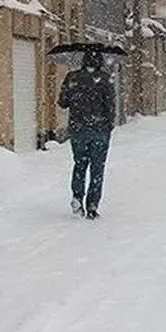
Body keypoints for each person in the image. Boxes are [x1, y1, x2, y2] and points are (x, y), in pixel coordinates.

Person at [58, 51, 117, 219]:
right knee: (97, 168)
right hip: (99, 131)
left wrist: (75, 96)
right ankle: (92, 205)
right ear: (100, 61)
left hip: (78, 129)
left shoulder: (72, 77)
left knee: (80, 164)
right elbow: (110, 106)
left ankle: (77, 197)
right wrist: (108, 125)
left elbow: (62, 102)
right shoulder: (105, 79)